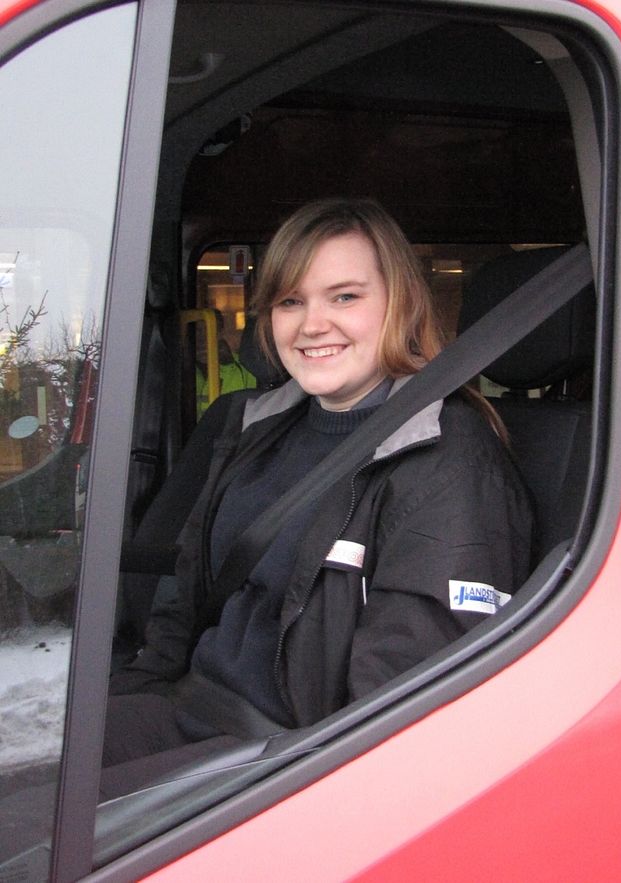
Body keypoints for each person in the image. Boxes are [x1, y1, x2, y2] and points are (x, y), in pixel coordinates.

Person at [102, 197, 533, 797]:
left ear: (399, 304)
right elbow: (187, 588)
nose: (312, 325)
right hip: (189, 708)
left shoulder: (446, 456)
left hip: (287, 759)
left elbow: (399, 706)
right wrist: (134, 693)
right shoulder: (261, 427)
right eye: (290, 301)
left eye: (345, 297)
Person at [195, 309, 256, 418]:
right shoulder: (180, 369)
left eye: (208, 329)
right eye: (197, 330)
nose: (202, 337)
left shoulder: (244, 367)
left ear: (220, 332)